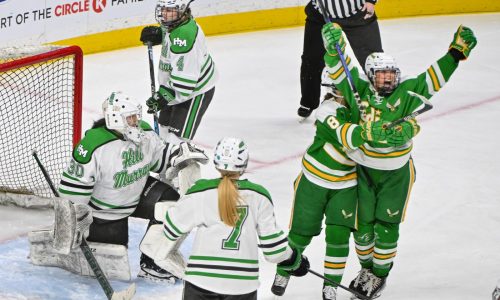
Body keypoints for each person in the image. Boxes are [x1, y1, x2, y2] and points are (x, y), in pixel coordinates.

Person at [321, 23, 477, 298]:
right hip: (365, 171)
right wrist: (332, 47)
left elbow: (433, 78)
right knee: (363, 226)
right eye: (381, 75)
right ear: (370, 76)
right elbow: (339, 69)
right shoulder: (358, 90)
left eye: (390, 74)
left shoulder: (407, 92)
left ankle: (379, 276)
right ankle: (367, 269)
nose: (387, 80)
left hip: (396, 174)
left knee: (387, 226)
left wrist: (455, 52)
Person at [28, 91, 208, 284]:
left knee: (170, 201)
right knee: (113, 264)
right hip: (107, 211)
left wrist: (177, 155)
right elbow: (71, 193)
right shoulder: (93, 146)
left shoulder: (144, 132)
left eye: (136, 116)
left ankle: (153, 263)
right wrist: (74, 220)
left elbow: (159, 160)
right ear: (115, 119)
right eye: (130, 118)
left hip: (138, 193)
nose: (136, 122)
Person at [272, 78, 408, 299]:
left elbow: (383, 115)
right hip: (313, 182)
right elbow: (348, 136)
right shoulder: (327, 111)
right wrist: (373, 131)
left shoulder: (361, 109)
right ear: (335, 89)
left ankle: (330, 287)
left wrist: (395, 125)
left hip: (345, 185)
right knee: (300, 233)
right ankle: (282, 273)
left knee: (338, 237)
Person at [140, 137, 310, 299]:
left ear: (216, 163)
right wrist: (295, 260)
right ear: (244, 163)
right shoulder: (259, 195)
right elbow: (275, 251)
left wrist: (184, 202)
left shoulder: (200, 192)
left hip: (201, 281)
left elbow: (171, 229)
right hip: (242, 285)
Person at [140, 0, 217, 145]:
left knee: (176, 142)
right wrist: (160, 35)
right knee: (162, 133)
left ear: (182, 10)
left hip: (195, 92)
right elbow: (171, 36)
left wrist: (163, 96)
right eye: (163, 9)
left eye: (169, 10)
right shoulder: (176, 25)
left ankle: (185, 167)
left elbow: (185, 84)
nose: (164, 14)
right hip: (173, 88)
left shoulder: (184, 36)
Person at [298, 0, 383, 119]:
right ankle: (309, 102)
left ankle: (384, 99)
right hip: (320, 14)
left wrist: (371, 1)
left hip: (358, 12)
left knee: (374, 60)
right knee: (311, 59)